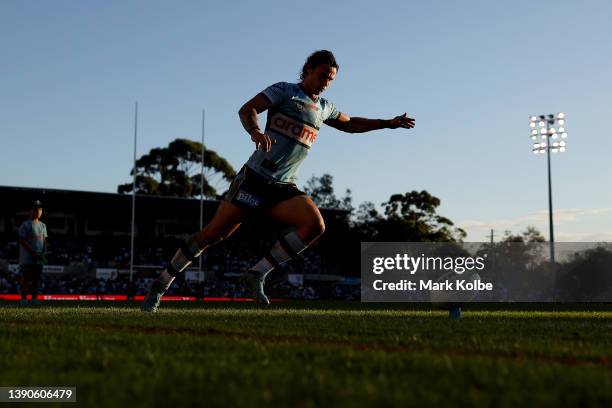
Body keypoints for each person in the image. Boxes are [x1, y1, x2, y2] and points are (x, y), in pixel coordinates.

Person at [141, 50, 415, 312]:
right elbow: (247, 109)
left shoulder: (324, 107)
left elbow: (351, 123)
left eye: (331, 79)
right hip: (255, 178)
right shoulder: (285, 91)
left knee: (314, 225)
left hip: (283, 186)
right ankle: (160, 284)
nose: (326, 83)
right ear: (307, 71)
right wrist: (256, 132)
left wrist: (386, 123)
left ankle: (257, 274)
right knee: (215, 235)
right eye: (322, 76)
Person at [18, 200, 48, 306]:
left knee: (36, 279)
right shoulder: (25, 224)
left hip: (38, 257)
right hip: (27, 258)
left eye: (40, 209)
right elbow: (22, 240)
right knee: (25, 279)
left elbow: (45, 241)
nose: (39, 211)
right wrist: (32, 252)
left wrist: (44, 252)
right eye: (36, 209)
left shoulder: (43, 225)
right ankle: (23, 300)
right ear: (30, 211)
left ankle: (34, 299)